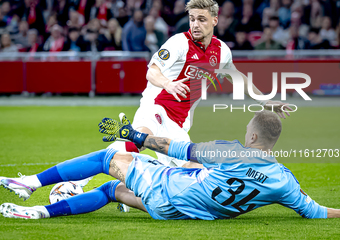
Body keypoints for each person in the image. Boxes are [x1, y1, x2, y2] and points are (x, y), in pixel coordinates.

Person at [1, 111, 339, 220]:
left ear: (252, 135)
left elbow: (174, 146)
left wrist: (133, 135)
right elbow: (318, 212)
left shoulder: (231, 151)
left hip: (168, 192)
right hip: (181, 212)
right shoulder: (284, 182)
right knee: (111, 191)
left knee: (108, 159)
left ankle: (30, 183)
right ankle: (41, 213)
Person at [114, 0, 291, 169]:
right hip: (156, 106)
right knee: (139, 141)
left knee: (194, 170)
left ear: (215, 20)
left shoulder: (222, 51)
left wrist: (265, 101)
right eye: (192, 19)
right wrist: (168, 84)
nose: (195, 24)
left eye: (201, 19)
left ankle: (133, 191)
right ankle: (86, 175)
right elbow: (152, 72)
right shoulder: (178, 43)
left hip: (179, 122)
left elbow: (236, 77)